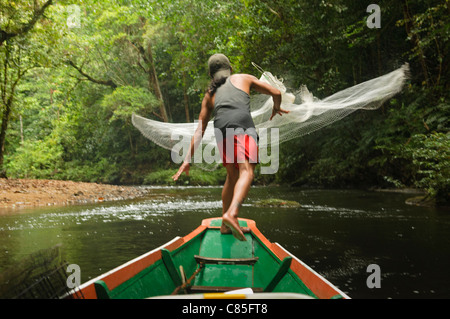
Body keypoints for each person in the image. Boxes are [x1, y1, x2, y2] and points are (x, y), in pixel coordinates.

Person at [172, 54, 288, 241]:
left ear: (212, 75)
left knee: (232, 176)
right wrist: (276, 107)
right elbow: (276, 93)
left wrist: (186, 160)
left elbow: (199, 130)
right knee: (246, 172)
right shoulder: (243, 78)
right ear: (231, 68)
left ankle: (225, 226)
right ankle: (231, 214)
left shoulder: (209, 95)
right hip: (241, 127)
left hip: (221, 131)